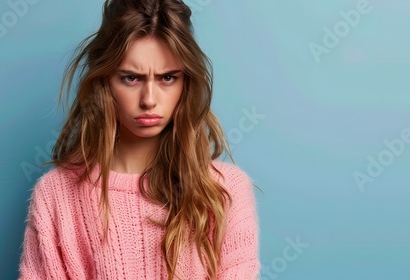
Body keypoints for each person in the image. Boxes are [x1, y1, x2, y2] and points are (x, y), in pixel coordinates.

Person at [18, 0, 260, 279]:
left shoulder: (224, 191)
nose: (149, 100)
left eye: (167, 78)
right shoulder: (56, 194)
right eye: (131, 78)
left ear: (186, 83)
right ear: (105, 80)